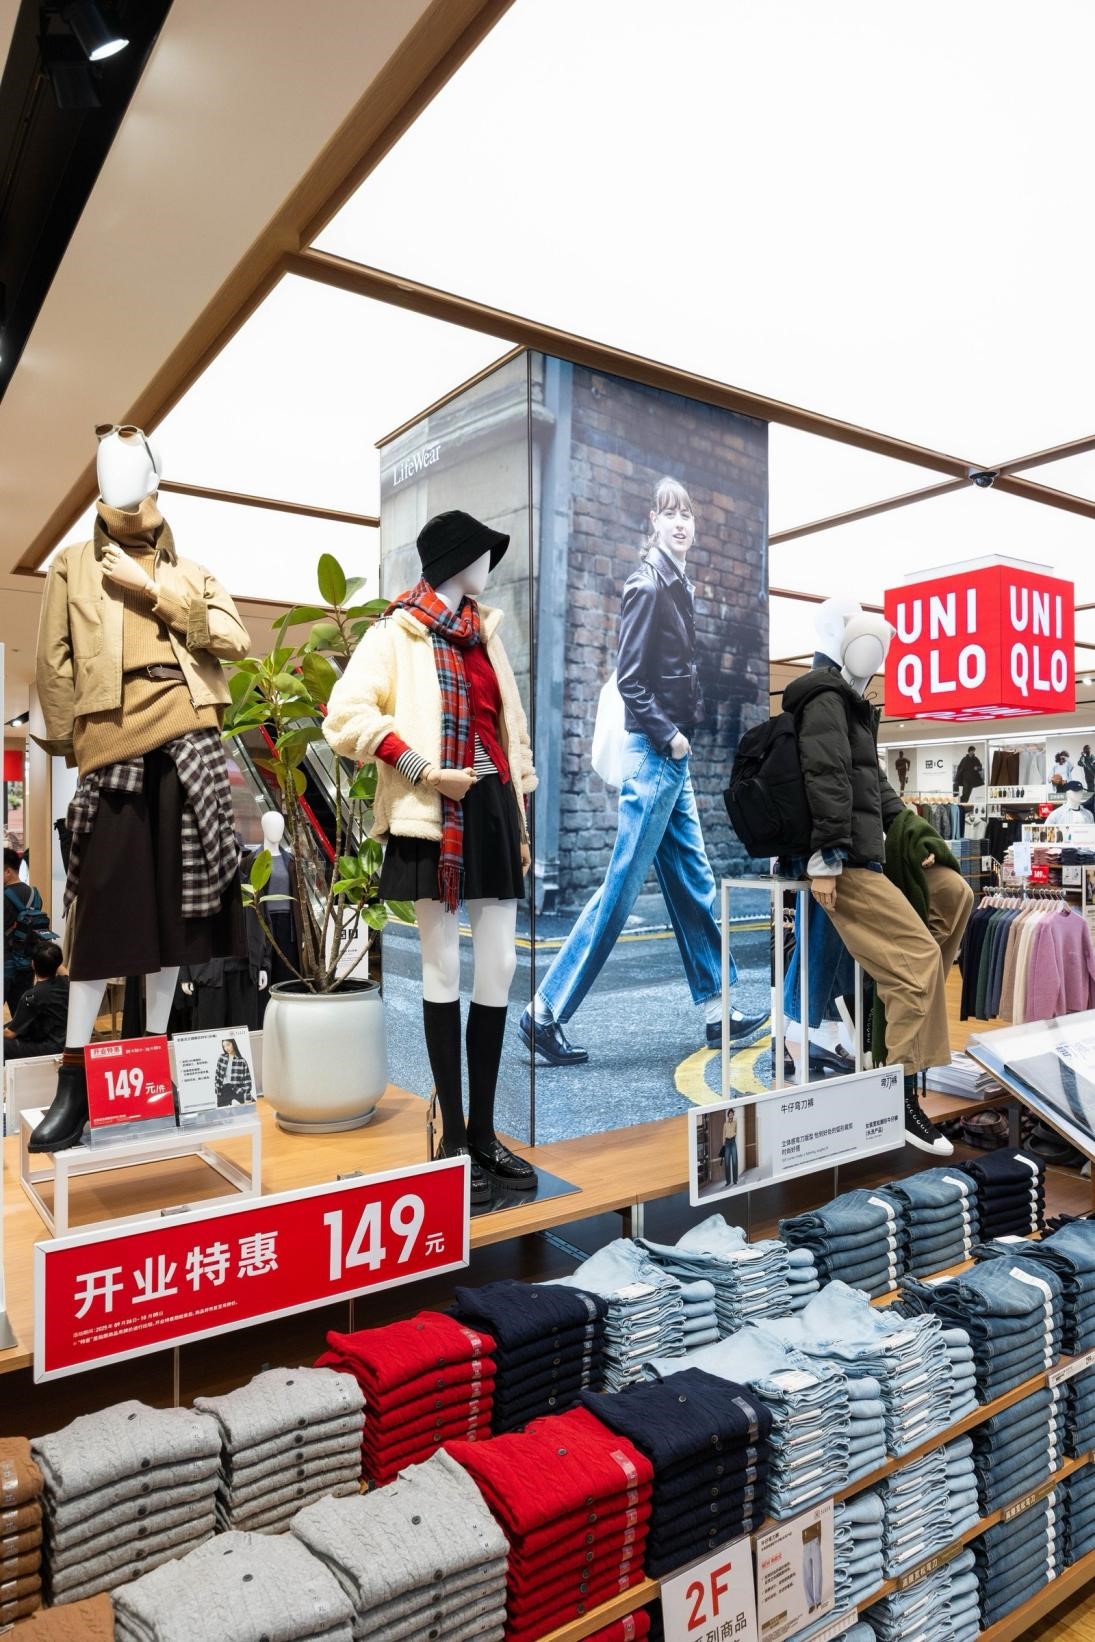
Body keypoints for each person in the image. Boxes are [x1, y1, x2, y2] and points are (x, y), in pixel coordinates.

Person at [521, 476, 767, 1066]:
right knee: (620, 890)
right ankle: (544, 1012)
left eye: (687, 514)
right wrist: (671, 736)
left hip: (670, 762)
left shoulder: (675, 584)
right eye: (669, 513)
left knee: (693, 882)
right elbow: (631, 680)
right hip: (657, 756)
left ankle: (718, 1008)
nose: (680, 523)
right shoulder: (647, 585)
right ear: (653, 522)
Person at [3, 848, 50, 1015]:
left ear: (8, 871)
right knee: (21, 1015)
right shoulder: (34, 895)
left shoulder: (4, 897)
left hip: (5, 962)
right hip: (27, 963)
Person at [3, 942, 69, 1059]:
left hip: (50, 1046)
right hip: (64, 1038)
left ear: (33, 964)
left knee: (3, 1043)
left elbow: (10, 1034)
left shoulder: (31, 996)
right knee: (10, 1026)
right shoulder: (66, 982)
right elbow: (63, 970)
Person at [213, 1037, 253, 1106]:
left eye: (228, 1045)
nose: (226, 1048)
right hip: (224, 1089)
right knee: (222, 1111)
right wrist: (218, 1089)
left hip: (236, 1089)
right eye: (224, 1046)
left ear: (233, 1044)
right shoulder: (222, 1058)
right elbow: (217, 1075)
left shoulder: (241, 1060)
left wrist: (247, 1096)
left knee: (251, 1106)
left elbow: (247, 1080)